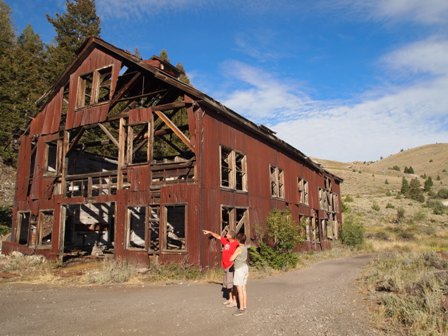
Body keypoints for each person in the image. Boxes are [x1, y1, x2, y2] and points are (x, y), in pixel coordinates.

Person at [202, 228, 239, 307]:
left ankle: (235, 301)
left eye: (228, 234)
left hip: (231, 266)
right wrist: (210, 231)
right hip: (225, 265)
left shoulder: (236, 243)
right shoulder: (226, 241)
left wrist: (236, 262)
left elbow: (240, 252)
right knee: (227, 284)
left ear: (231, 236)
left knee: (232, 284)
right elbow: (218, 236)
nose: (226, 235)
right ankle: (230, 299)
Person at [230, 232, 248, 316]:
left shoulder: (239, 248)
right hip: (245, 267)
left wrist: (233, 254)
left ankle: (241, 309)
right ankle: (244, 307)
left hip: (239, 269)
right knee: (243, 289)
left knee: (239, 290)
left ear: (238, 240)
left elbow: (231, 259)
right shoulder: (245, 247)